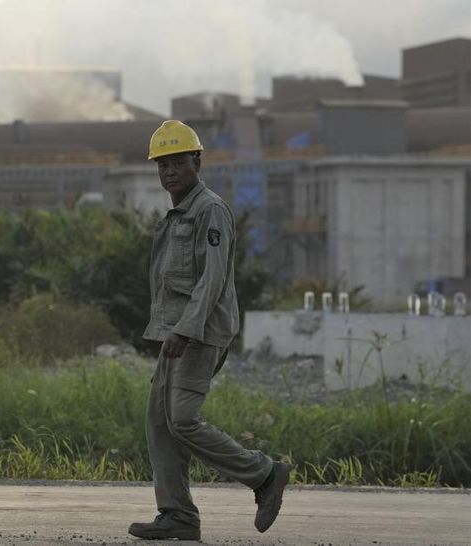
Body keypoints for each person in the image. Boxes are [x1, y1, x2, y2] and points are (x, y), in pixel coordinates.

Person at [128, 120, 289, 541]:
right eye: (162, 166)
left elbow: (212, 279)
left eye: (177, 163)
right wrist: (167, 330)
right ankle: (178, 514)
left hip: (199, 334)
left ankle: (264, 474)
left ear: (197, 161)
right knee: (159, 422)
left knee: (181, 419)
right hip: (175, 333)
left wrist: (184, 330)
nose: (169, 173)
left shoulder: (209, 210)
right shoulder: (177, 212)